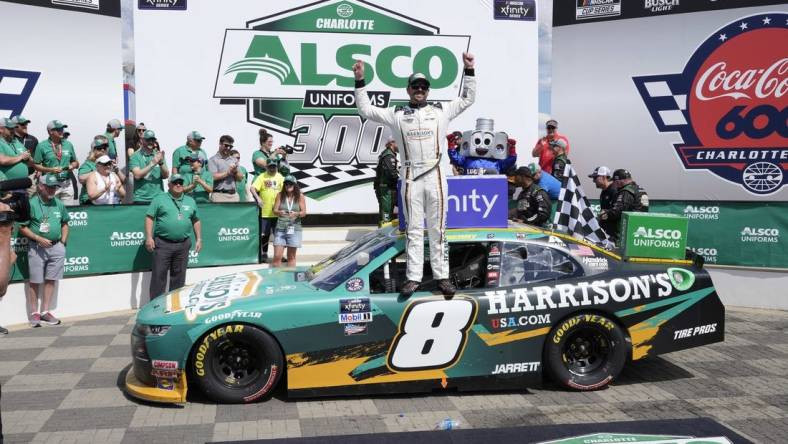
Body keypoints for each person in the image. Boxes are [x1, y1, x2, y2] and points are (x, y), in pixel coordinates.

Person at [354, 52, 476, 298]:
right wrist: (359, 80)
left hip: (437, 176)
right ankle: (413, 277)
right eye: (415, 86)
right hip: (409, 175)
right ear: (408, 90)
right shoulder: (396, 113)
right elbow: (365, 109)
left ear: (428, 91)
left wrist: (470, 70)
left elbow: (467, 98)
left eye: (424, 87)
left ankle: (442, 276)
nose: (420, 90)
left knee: (438, 229)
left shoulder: (442, 110)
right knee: (413, 230)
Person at [19, 174, 71, 327]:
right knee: (35, 281)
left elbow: (65, 223)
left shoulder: (59, 204)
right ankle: (34, 313)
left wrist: (62, 242)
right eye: (49, 187)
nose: (52, 190)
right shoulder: (32, 204)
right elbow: (22, 227)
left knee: (51, 280)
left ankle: (45, 311)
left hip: (56, 247)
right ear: (40, 186)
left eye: (54, 187)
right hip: (37, 247)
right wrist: (37, 238)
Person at [144, 174, 201, 299]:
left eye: (181, 182)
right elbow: (149, 217)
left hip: (183, 244)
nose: (178, 185)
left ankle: (175, 305)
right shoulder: (159, 199)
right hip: (163, 243)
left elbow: (195, 220)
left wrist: (199, 239)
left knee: (179, 278)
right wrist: (149, 237)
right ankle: (155, 307)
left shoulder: (190, 201)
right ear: (169, 185)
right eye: (175, 182)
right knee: (159, 276)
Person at [33, 120, 79, 205]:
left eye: (62, 129)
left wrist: (72, 165)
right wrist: (50, 169)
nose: (61, 131)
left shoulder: (68, 144)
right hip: (50, 184)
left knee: (68, 211)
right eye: (58, 129)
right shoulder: (41, 146)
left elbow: (75, 162)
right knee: (51, 210)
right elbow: (36, 165)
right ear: (50, 132)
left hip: (66, 183)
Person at [599, 169, 649, 244]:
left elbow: (617, 211)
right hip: (639, 228)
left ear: (619, 181)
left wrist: (605, 213)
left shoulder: (626, 191)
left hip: (626, 231)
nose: (614, 184)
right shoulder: (641, 190)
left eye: (615, 182)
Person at [251, 161, 283, 262]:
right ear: (267, 167)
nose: (272, 169)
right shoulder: (262, 176)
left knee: (279, 235)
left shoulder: (280, 177)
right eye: (270, 167)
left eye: (274, 167)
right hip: (265, 212)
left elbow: (287, 189)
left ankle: (279, 256)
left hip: (278, 213)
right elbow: (252, 188)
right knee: (264, 235)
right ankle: (264, 254)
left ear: (276, 167)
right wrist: (258, 198)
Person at [271, 175, 306, 267]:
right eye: (286, 184)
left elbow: (304, 213)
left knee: (291, 257)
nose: (288, 185)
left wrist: (296, 214)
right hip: (281, 228)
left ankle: (290, 279)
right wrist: (279, 212)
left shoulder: (300, 196)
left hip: (294, 228)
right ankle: (275, 280)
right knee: (277, 256)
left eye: (290, 184)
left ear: (295, 185)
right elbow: (274, 210)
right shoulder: (280, 195)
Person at [129, 130, 169, 204]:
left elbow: (166, 175)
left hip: (159, 198)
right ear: (142, 140)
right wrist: (152, 164)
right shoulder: (135, 156)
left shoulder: (158, 155)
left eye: (152, 139)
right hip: (141, 199)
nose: (151, 142)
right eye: (148, 140)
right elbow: (137, 175)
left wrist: (161, 163)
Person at [208, 135, 243, 202]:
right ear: (220, 144)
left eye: (231, 146)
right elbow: (213, 177)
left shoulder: (234, 160)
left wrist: (235, 172)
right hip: (219, 195)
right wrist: (228, 172)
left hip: (233, 195)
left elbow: (240, 178)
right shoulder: (213, 160)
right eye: (226, 145)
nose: (228, 148)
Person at [373, 137, 399, 225]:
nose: (400, 146)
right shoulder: (388, 155)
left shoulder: (386, 154)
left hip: (384, 188)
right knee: (386, 215)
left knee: (384, 213)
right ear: (392, 143)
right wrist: (399, 180)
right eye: (398, 143)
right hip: (386, 189)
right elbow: (392, 173)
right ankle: (384, 235)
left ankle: (382, 233)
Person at [11, 116, 39, 195]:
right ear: (15, 126)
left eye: (26, 124)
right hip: (14, 176)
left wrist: (39, 169)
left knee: (32, 199)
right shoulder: (9, 139)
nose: (25, 126)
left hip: (30, 176)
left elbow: (38, 157)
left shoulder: (33, 139)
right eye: (23, 124)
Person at [588, 166, 617, 237]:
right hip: (606, 231)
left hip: (613, 233)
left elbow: (616, 212)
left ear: (604, 177)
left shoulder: (614, 190)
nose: (593, 181)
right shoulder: (604, 191)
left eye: (595, 178)